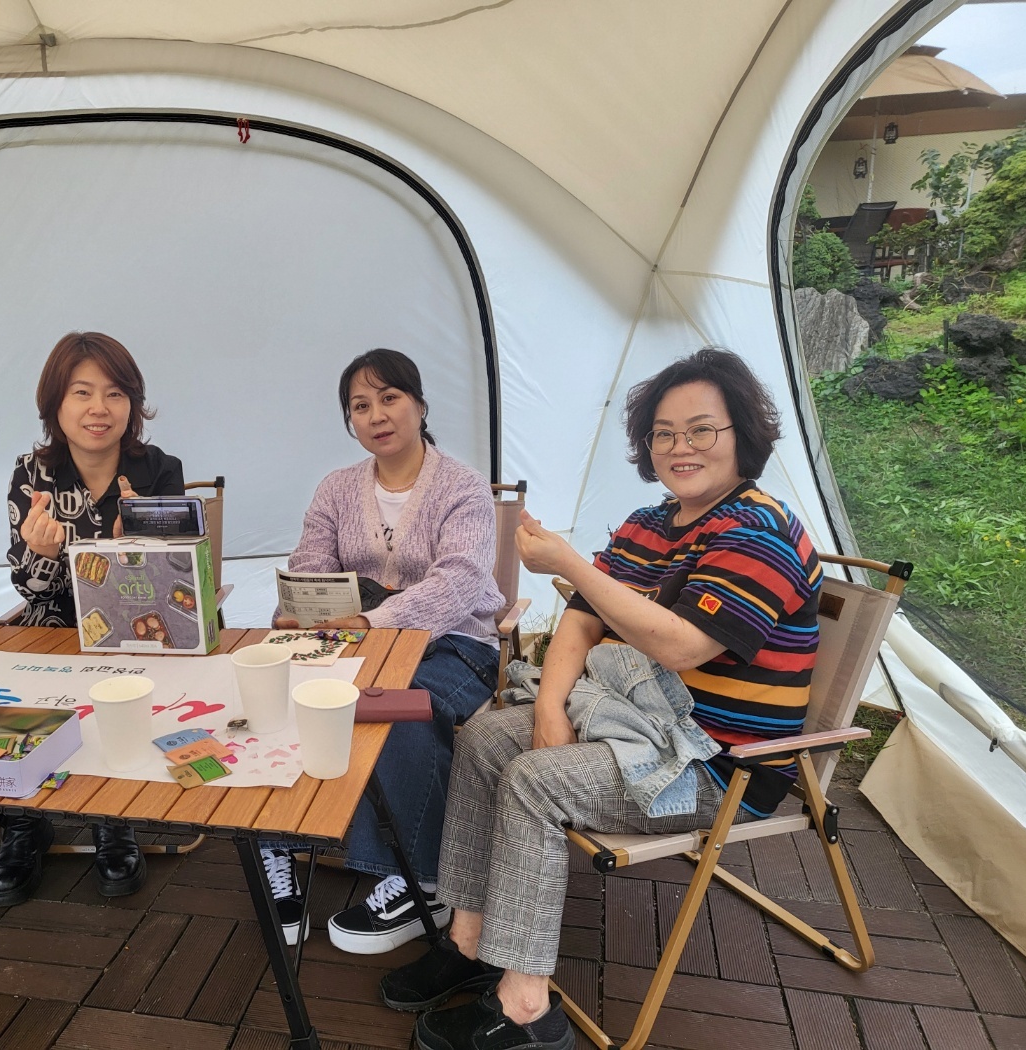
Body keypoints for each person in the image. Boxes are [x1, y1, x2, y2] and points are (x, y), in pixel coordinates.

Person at [379, 347, 821, 1050]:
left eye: (702, 430)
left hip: (716, 765)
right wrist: (549, 709)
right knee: (486, 737)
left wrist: (570, 563)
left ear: (744, 435)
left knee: (533, 781)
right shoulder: (650, 523)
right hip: (639, 725)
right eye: (664, 433)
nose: (680, 447)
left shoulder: (758, 532)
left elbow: (684, 646)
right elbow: (582, 619)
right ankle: (469, 941)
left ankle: (526, 1010)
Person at [266, 348, 505, 953]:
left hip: (455, 643)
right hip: (351, 641)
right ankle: (278, 846)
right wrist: (301, 611)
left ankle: (421, 879)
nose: (376, 415)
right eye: (360, 405)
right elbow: (310, 566)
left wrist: (373, 620)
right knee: (272, 691)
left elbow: (460, 582)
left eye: (390, 397)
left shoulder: (463, 488)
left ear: (420, 405)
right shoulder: (336, 488)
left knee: (402, 707)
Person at [0, 331, 184, 905]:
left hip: (134, 626)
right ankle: (24, 823)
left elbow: (173, 586)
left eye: (114, 393)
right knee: (18, 675)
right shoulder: (31, 473)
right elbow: (28, 588)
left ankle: (112, 816)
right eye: (82, 392)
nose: (99, 408)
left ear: (132, 405)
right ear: (55, 404)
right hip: (53, 621)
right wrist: (42, 553)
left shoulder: (159, 470)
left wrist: (134, 553)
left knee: (126, 677)